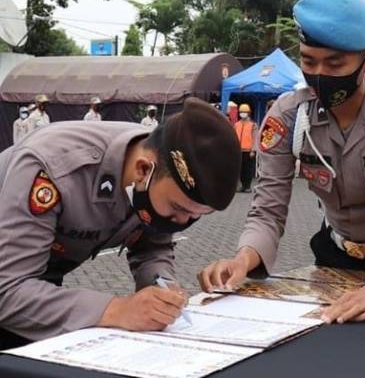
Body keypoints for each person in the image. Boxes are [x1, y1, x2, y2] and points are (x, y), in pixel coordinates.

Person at [198, 0, 365, 324]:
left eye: (335, 63)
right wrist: (243, 259)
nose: (319, 74)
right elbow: (268, 208)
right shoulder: (287, 116)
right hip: (334, 251)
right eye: (308, 61)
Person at [0, 97, 241, 349]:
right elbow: (8, 291)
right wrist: (116, 310)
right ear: (142, 170)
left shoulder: (157, 171)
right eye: (178, 209)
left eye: (194, 216)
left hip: (38, 285)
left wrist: (162, 288)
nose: (181, 222)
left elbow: (152, 245)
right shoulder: (53, 166)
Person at [234, 104, 258, 192]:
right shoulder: (236, 124)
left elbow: (255, 138)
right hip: (238, 151)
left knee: (248, 170)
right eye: (241, 112)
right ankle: (240, 186)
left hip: (248, 151)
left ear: (248, 113)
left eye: (244, 112)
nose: (242, 114)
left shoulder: (253, 125)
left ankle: (247, 186)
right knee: (238, 170)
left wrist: (253, 150)